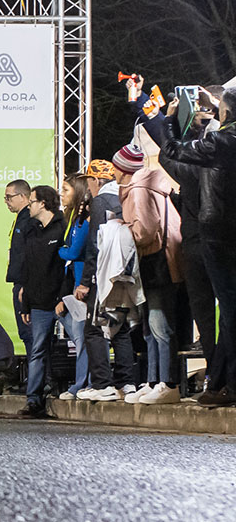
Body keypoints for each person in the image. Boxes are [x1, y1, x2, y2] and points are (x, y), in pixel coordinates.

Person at [137, 84, 236, 406]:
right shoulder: (217, 144)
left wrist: (164, 118)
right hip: (212, 237)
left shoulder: (218, 145)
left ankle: (219, 381)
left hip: (213, 237)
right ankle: (219, 382)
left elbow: (173, 152)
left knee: (219, 314)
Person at [113, 143, 184, 405]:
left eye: (116, 166)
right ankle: (154, 381)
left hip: (156, 263)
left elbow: (144, 231)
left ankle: (168, 382)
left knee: (158, 324)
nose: (113, 171)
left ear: (124, 169)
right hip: (158, 261)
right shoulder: (143, 187)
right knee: (149, 326)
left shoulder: (139, 191)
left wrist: (122, 229)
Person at [74, 160, 129, 402]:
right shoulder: (123, 197)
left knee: (94, 329)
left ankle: (102, 384)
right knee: (122, 328)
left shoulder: (100, 202)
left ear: (95, 180)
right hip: (126, 272)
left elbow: (95, 244)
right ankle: (128, 383)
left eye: (88, 181)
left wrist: (85, 281)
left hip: (105, 274)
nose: (88, 187)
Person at [17, 185, 66, 418]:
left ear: (43, 203)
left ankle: (81, 387)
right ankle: (33, 400)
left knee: (81, 340)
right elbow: (29, 270)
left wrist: (63, 297)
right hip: (38, 302)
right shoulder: (32, 230)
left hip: (62, 300)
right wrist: (25, 302)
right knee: (37, 350)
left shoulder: (63, 227)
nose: (29, 205)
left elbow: (67, 267)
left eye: (32, 201)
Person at [55, 175, 91, 400]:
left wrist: (58, 251)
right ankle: (83, 382)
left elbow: (72, 252)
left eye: (66, 190)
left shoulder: (83, 221)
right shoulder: (72, 220)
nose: (62, 194)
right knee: (79, 336)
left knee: (82, 339)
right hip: (75, 285)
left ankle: (81, 384)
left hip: (83, 286)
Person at [4, 179, 34, 368]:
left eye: (9, 197)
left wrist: (25, 284)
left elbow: (29, 254)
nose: (6, 202)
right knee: (26, 334)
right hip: (21, 283)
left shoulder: (29, 219)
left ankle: (39, 379)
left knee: (29, 333)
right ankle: (36, 379)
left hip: (25, 285)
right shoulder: (21, 218)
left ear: (23, 196)